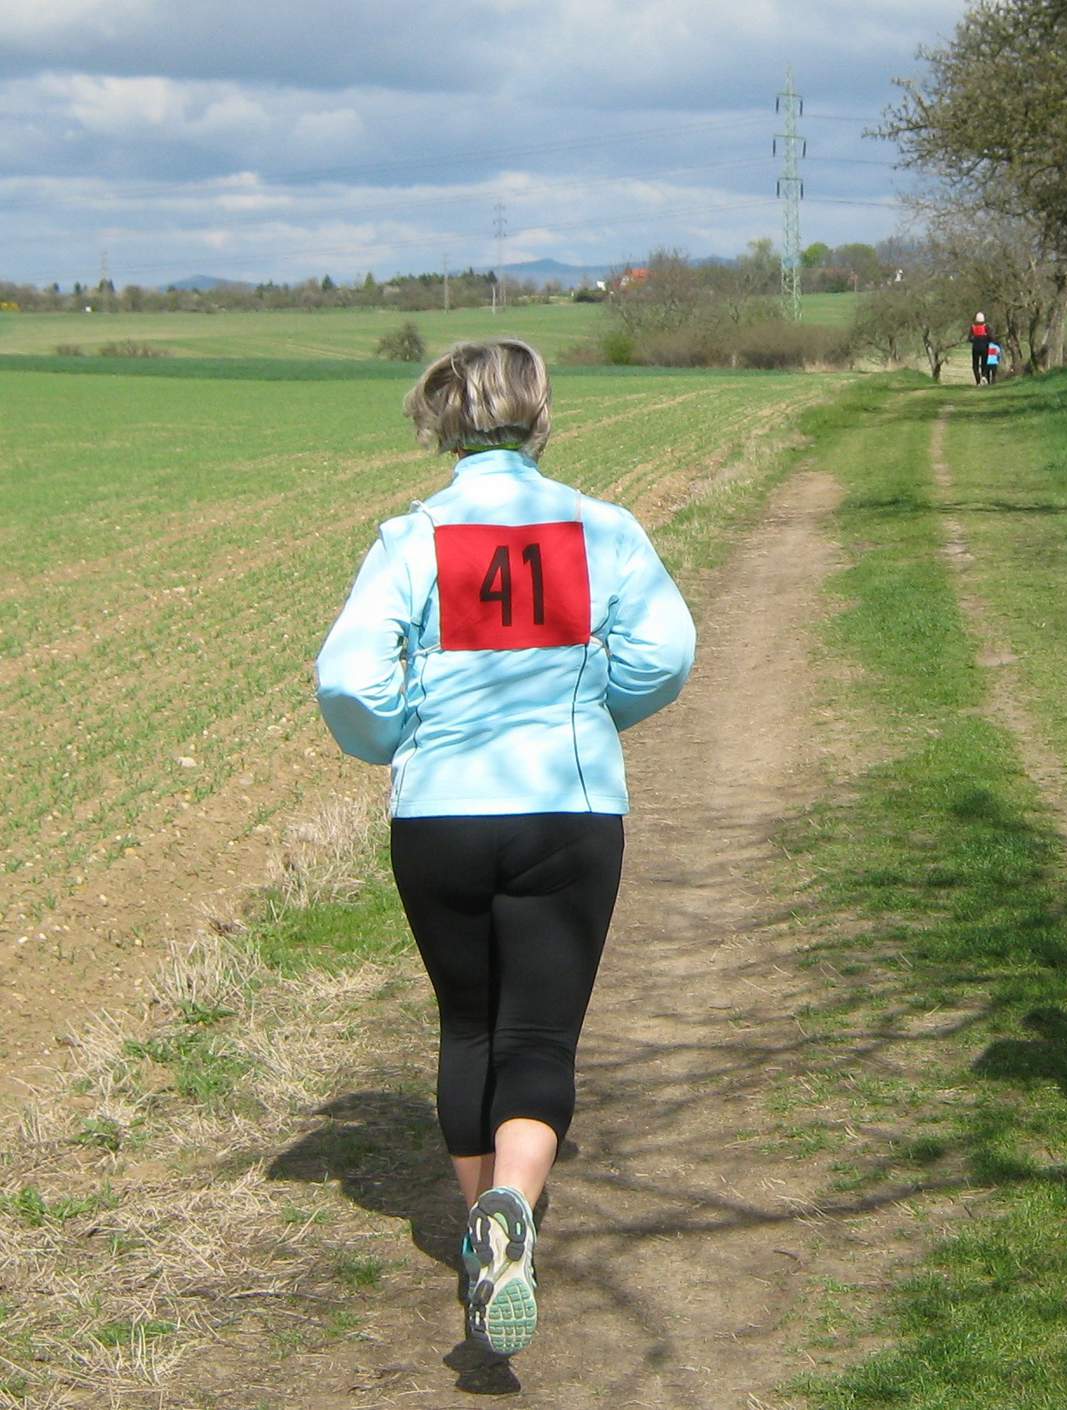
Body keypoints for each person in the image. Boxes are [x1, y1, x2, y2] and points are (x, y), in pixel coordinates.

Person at [315, 339, 696, 1354]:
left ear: (447, 420)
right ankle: (516, 1214)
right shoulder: (601, 529)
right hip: (565, 809)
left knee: (467, 1024)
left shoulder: (412, 537)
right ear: (540, 417)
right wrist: (594, 707)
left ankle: (482, 1231)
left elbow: (351, 681)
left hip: (438, 815)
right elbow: (666, 651)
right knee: (539, 1035)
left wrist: (406, 734)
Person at [969, 311, 991, 384]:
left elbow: (969, 338)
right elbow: (991, 337)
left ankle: (978, 381)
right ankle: (984, 376)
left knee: (975, 364)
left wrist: (974, 339)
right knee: (984, 363)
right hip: (985, 347)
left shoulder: (973, 327)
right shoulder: (986, 327)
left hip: (975, 347)